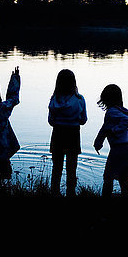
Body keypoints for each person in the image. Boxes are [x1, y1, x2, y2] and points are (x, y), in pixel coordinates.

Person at [48, 69, 87, 197]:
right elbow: (83, 120)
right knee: (72, 168)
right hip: (73, 134)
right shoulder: (80, 99)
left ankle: (55, 192)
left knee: (56, 167)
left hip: (58, 133)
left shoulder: (54, 99)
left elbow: (51, 121)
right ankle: (71, 193)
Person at [94, 84, 128, 198]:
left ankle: (105, 201)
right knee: (123, 179)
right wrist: (99, 142)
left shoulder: (112, 111)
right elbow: (104, 128)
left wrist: (114, 130)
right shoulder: (120, 111)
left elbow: (127, 121)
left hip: (119, 148)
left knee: (108, 176)